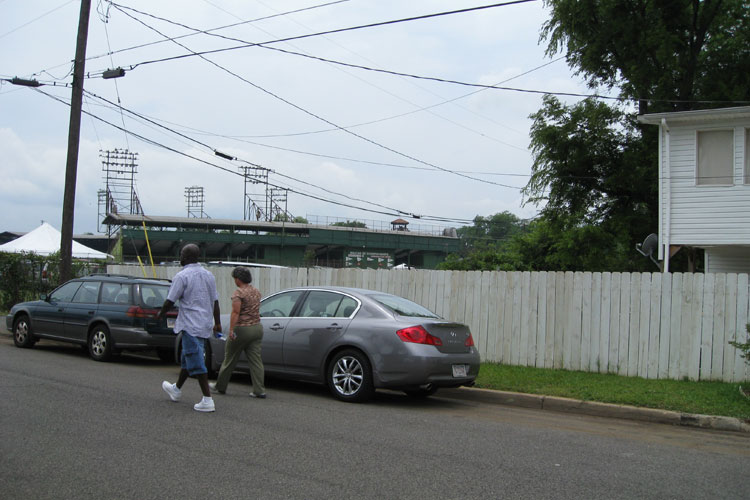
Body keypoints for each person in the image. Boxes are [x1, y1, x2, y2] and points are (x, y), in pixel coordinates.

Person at [158, 243, 222, 412]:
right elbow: (215, 301)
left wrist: (161, 314)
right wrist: (217, 322)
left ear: (186, 257)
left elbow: (171, 300)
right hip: (204, 324)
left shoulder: (182, 276)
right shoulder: (209, 275)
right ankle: (176, 389)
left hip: (190, 324)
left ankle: (207, 399)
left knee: (196, 360)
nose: (180, 257)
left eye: (181, 254)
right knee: (188, 357)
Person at [209, 266, 265, 398]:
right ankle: (259, 390)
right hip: (257, 328)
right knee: (256, 361)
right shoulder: (256, 292)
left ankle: (220, 386)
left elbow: (236, 312)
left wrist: (231, 329)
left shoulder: (238, 293)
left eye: (235, 278)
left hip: (242, 329)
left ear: (238, 279)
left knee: (230, 358)